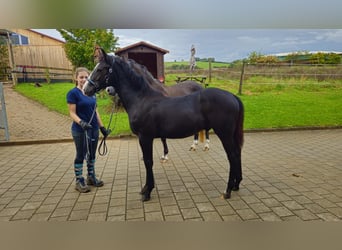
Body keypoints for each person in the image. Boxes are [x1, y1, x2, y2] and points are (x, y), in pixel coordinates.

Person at [66, 67, 109, 193]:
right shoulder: (73, 93)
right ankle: (79, 180)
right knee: (81, 154)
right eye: (81, 77)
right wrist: (81, 122)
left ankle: (91, 176)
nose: (84, 79)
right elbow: (71, 113)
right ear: (76, 78)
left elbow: (95, 112)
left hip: (93, 128)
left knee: (92, 154)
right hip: (80, 130)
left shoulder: (91, 93)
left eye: (86, 77)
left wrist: (102, 127)